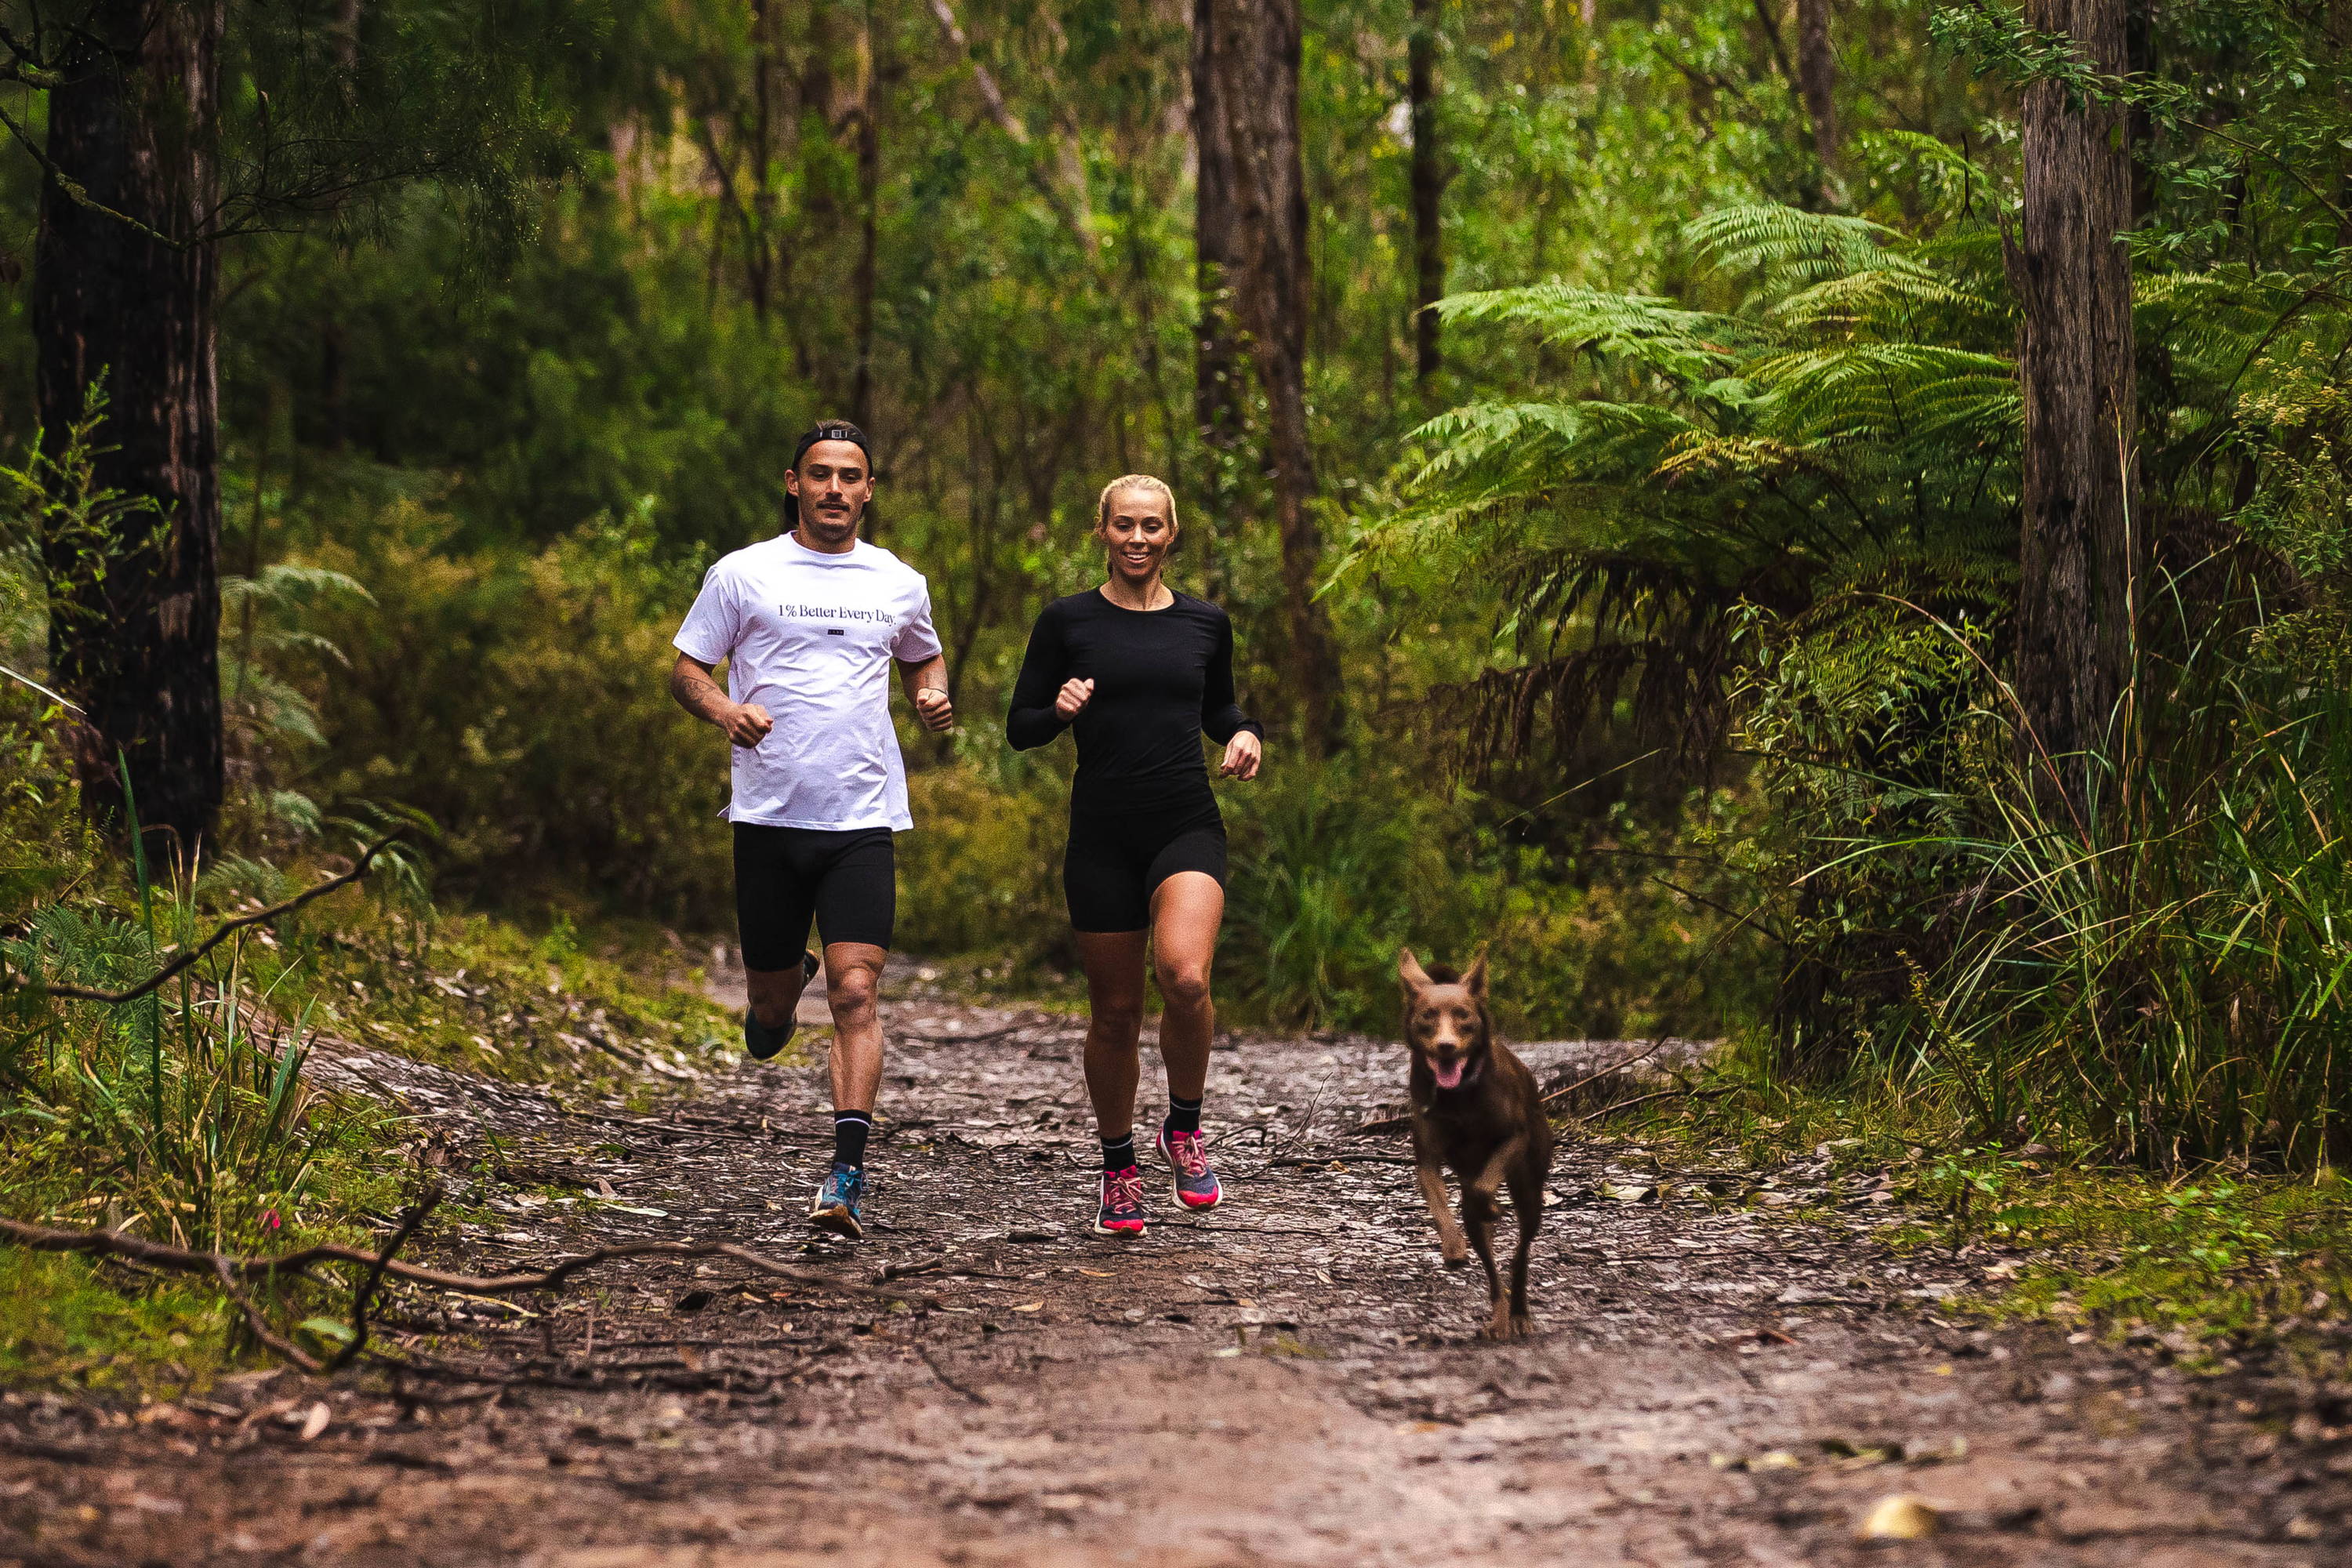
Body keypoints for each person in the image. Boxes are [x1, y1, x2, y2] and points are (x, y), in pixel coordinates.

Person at [669, 420, 953, 1239]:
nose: (836, 488)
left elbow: (921, 656)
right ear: (793, 481)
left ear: (870, 489)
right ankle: (778, 984)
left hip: (862, 815)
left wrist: (932, 692)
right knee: (766, 1021)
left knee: (856, 989)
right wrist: (725, 708)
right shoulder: (743, 573)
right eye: (820, 474)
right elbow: (688, 668)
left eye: (851, 476)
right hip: (768, 817)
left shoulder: (899, 580)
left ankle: (847, 1172)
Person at [1007, 475, 1264, 1236]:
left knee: (1185, 975)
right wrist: (1056, 709)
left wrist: (1244, 730)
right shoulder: (1068, 622)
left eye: (1152, 526)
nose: (1138, 539)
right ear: (1103, 531)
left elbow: (1218, 704)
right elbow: (1021, 725)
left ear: (1172, 533)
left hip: (1185, 820)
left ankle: (1183, 1125)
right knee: (1115, 1014)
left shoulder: (1205, 623)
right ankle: (1118, 1165)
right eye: (1125, 525)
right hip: (1102, 835)